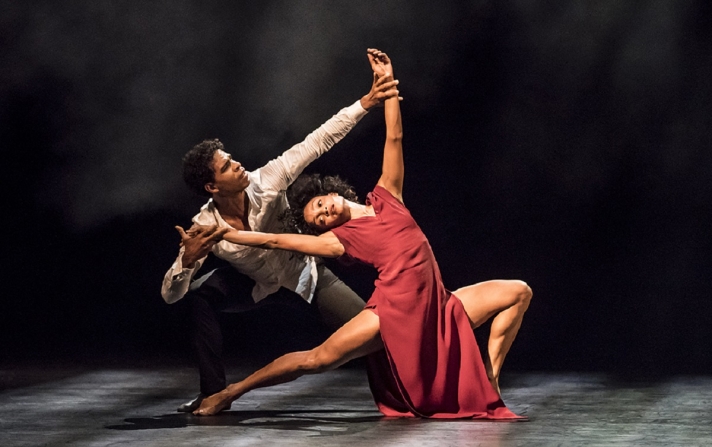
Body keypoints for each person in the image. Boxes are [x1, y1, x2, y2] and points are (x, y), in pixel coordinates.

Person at [189, 49, 532, 419]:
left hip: (439, 305)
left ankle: (491, 380)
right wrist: (224, 234)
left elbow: (395, 137)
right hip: (393, 311)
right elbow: (273, 240)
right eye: (319, 219)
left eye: (320, 204)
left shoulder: (388, 195)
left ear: (330, 191)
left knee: (518, 292)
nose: (324, 212)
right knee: (317, 359)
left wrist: (388, 86)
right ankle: (231, 392)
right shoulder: (338, 240)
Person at [162, 52, 401, 413]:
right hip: (256, 285)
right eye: (227, 166)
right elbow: (170, 295)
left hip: (305, 275)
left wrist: (365, 104)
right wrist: (187, 263)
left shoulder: (268, 180)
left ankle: (401, 396)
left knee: (374, 331)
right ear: (212, 187)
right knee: (197, 295)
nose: (238, 164)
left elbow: (316, 141)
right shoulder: (205, 226)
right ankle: (212, 393)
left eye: (232, 158)